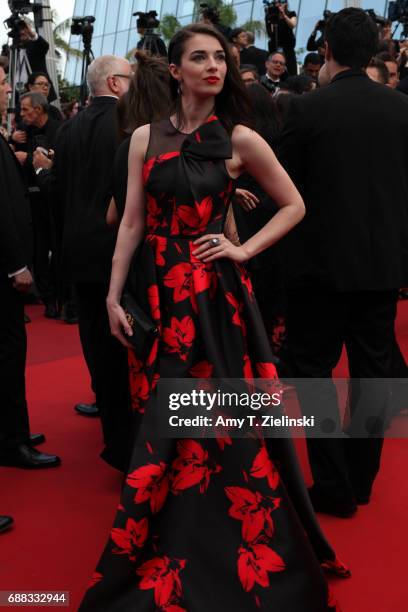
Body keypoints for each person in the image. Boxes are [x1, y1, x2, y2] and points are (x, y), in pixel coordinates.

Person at [79, 23, 347, 612]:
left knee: (217, 416)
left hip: (212, 297)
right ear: (175, 71)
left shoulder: (241, 139)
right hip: (156, 294)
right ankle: (166, 528)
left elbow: (295, 204)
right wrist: (112, 297)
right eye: (198, 58)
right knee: (162, 412)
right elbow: (130, 222)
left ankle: (218, 536)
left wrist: (243, 250)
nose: (213, 66)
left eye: (219, 58)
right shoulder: (143, 136)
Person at [279, 8, 408, 517]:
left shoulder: (307, 111)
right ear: (374, 50)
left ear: (326, 50)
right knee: (373, 371)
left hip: (317, 268)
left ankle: (332, 485)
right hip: (381, 266)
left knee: (312, 371)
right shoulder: (403, 110)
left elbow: (281, 187)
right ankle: (361, 482)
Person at [34, 56, 135, 470]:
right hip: (118, 251)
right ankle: (130, 441)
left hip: (78, 252)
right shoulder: (130, 127)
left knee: (96, 343)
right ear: (114, 81)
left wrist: (42, 175)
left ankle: (113, 434)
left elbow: (56, 189)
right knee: (128, 347)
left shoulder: (68, 128)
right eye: (130, 78)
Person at [0, 65, 60, 470]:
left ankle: (13, 431)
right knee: (7, 355)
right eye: (2, 81)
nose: (7, 86)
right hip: (5, 269)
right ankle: (11, 442)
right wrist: (16, 265)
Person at [16, 92, 62, 319]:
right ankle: (48, 298)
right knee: (38, 251)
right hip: (31, 200)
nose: (22, 114)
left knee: (56, 246)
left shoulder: (59, 130)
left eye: (25, 109)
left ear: (39, 109)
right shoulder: (24, 133)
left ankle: (59, 297)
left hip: (53, 199)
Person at [266, 1, 297, 76]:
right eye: (276, 3)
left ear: (285, 4)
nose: (278, 5)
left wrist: (284, 15)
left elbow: (292, 25)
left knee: (291, 73)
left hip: (288, 49)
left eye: (281, 2)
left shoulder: (291, 13)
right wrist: (271, 18)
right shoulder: (271, 15)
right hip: (275, 48)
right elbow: (271, 33)